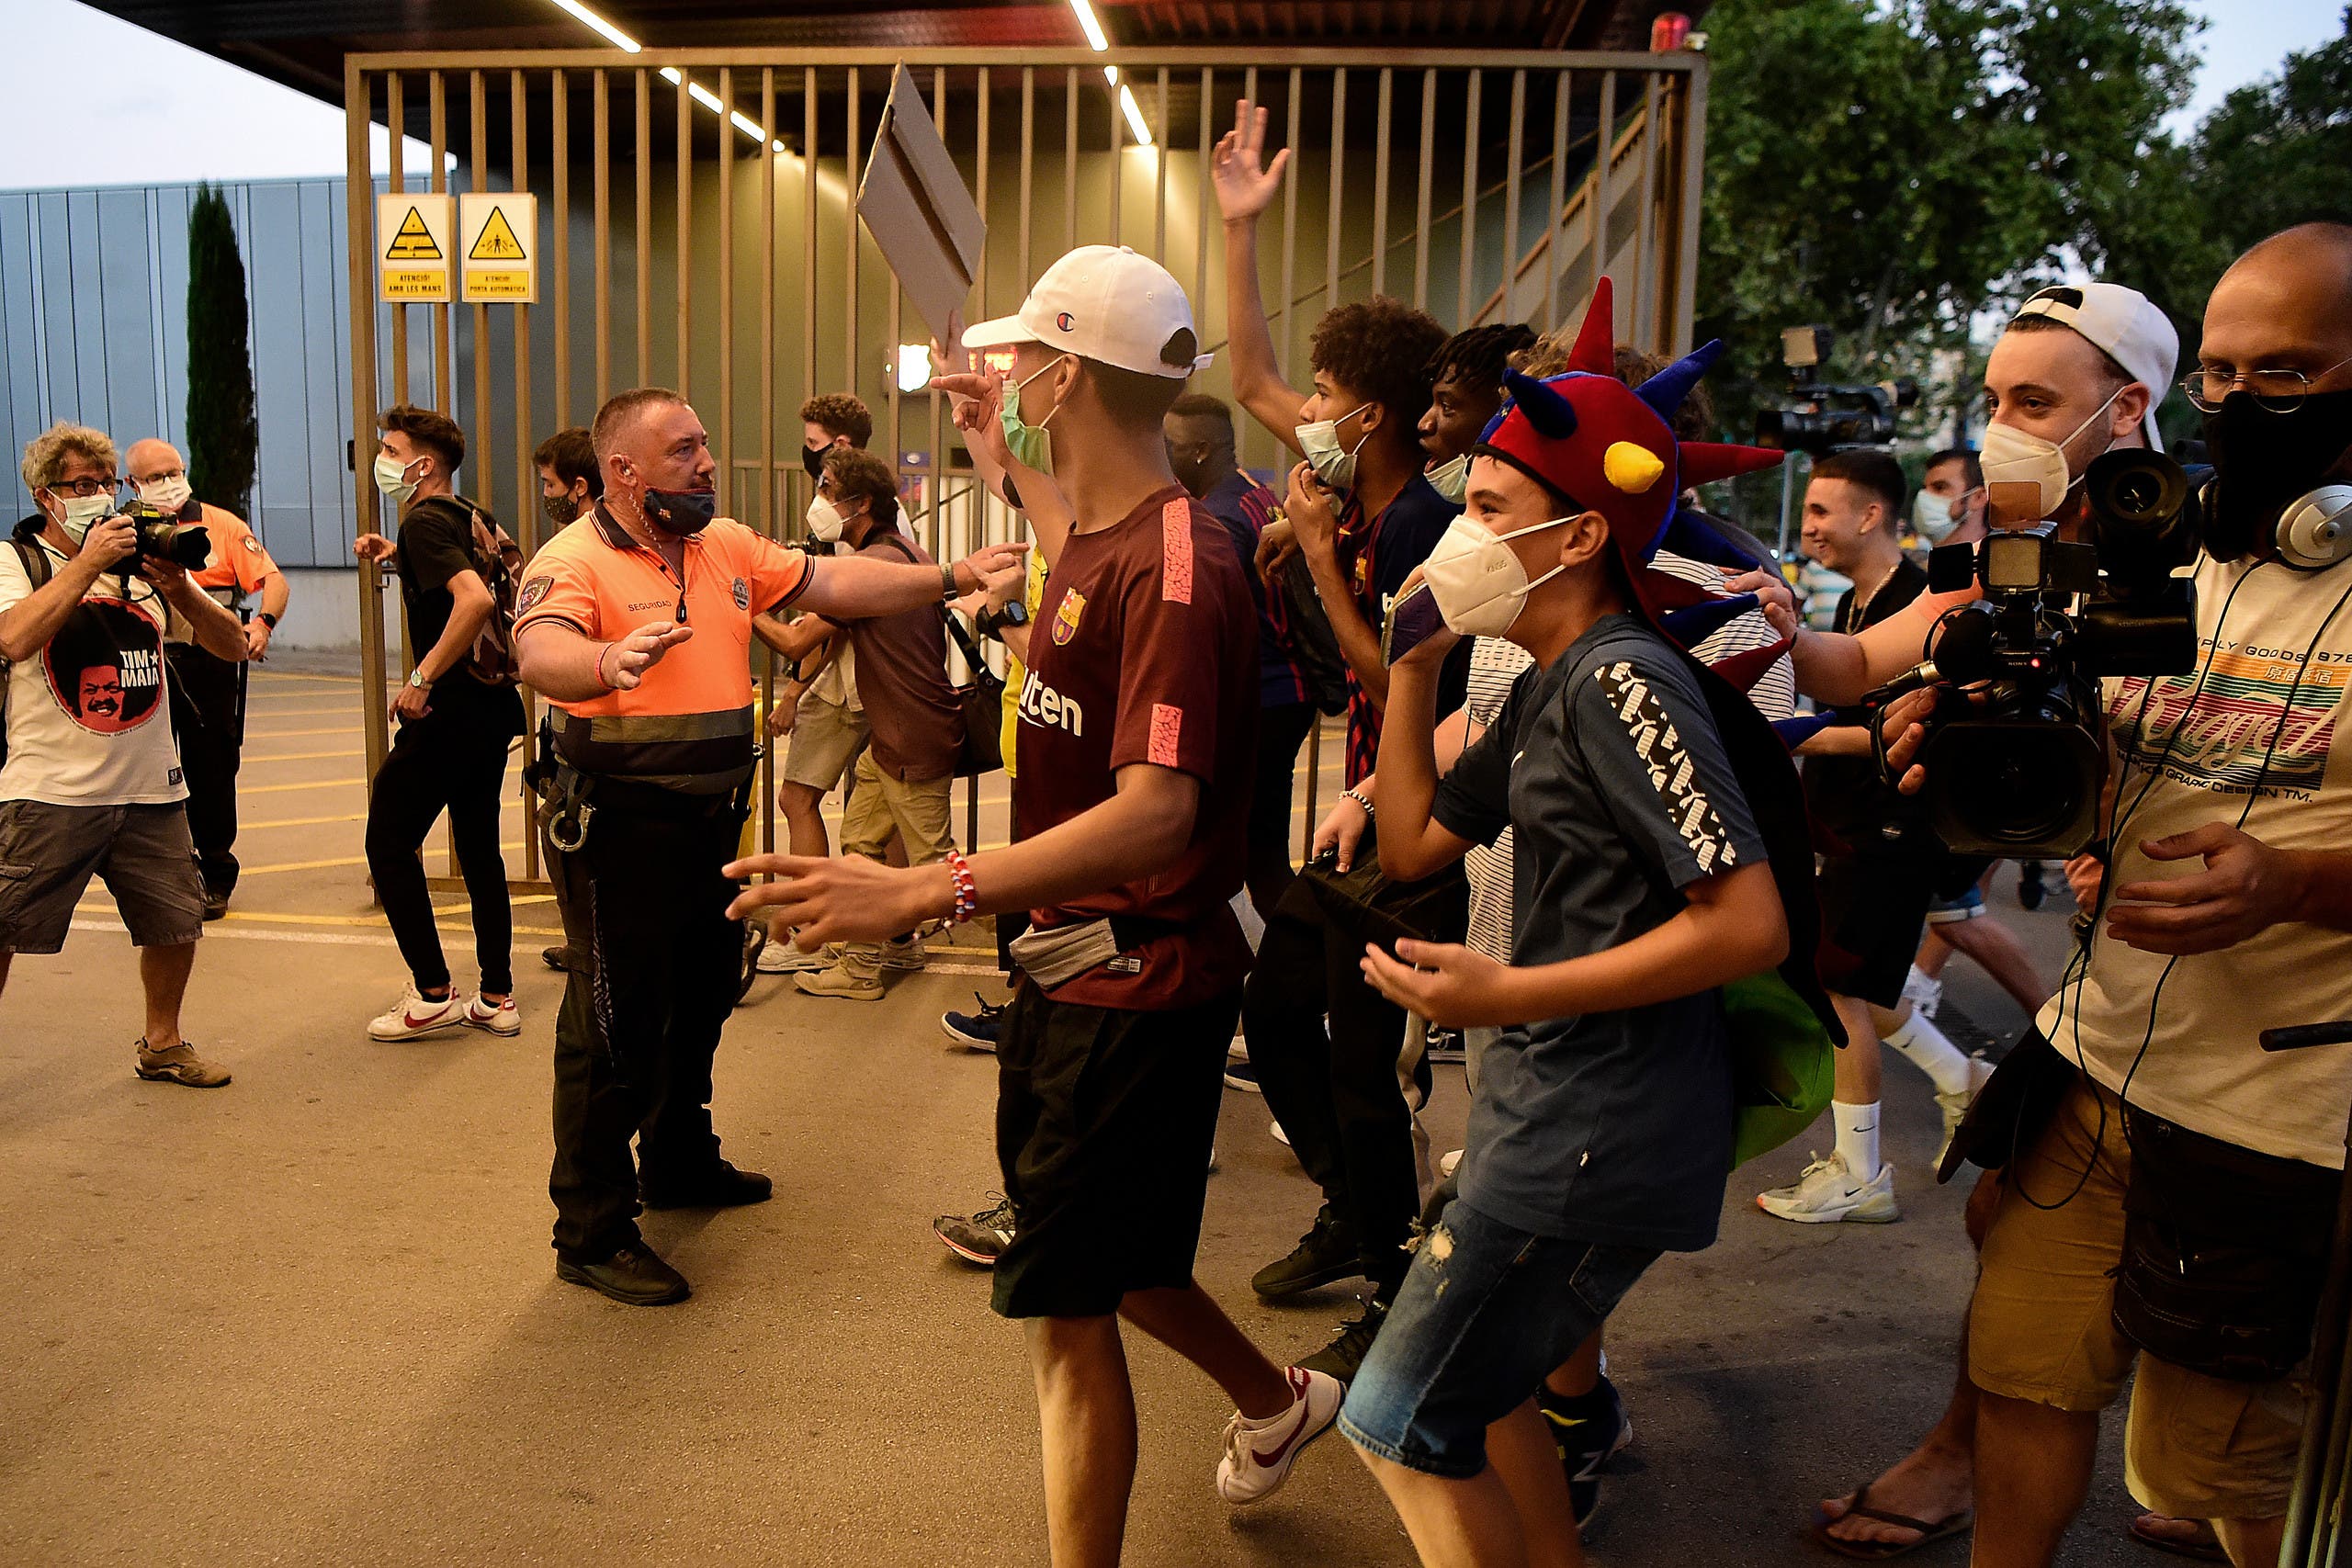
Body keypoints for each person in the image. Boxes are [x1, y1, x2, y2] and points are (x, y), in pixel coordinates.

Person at [729, 245, 1348, 1560]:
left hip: (1138, 979)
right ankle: (1279, 1398)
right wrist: (996, 458)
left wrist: (920, 885)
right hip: (1075, 965)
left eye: (1015, 364)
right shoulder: (1111, 531)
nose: (995, 375)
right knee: (1114, 1259)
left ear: (1066, 377)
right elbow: (1078, 573)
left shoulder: (1186, 564)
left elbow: (1158, 811)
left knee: (1067, 1311)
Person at [1338, 302, 1806, 1568]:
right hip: (1550, 1105)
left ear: (1584, 532)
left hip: (1601, 1126)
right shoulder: (1552, 678)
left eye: (1491, 509)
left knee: (1394, 1414)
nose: (1457, 535)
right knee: (1486, 1396)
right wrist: (1412, 669)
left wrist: (1509, 991)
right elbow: (1416, 845)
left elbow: (1747, 918)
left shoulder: (1622, 678)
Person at [514, 385, 1020, 1305]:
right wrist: (603, 661)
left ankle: (676, 1159)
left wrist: (951, 578)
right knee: (613, 1023)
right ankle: (588, 1227)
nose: (706, 461)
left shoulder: (724, 545)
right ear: (622, 471)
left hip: (708, 822)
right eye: (683, 451)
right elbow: (540, 646)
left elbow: (837, 584)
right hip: (617, 831)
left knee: (703, 994)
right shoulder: (574, 557)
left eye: (704, 444)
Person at [1214, 97, 1471, 1383]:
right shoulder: (1357, 481)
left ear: (1368, 415)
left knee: (1366, 1061)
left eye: (1326, 393)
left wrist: (1314, 557)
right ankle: (1354, 1207)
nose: (1299, 407)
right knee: (1275, 1006)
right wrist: (1239, 230)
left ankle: (1390, 1272)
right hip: (1378, 802)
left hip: (1427, 832)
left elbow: (1393, 670)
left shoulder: (1415, 522)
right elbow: (1252, 370)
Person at [1757, 447, 1984, 1225]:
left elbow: (1924, 728)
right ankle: (1963, 1078)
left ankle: (1861, 1171)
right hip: (1855, 825)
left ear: (1871, 515)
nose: (1809, 526)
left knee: (1837, 986)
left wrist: (1804, 737)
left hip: (1896, 828)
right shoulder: (1863, 599)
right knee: (1852, 979)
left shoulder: (1925, 599)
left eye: (1821, 511)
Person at [0, 421, 247, 1088]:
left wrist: (178, 587)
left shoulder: (138, 575)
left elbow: (232, 644)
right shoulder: (15, 560)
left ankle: (163, 1043)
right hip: (52, 788)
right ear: (44, 494)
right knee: (4, 921)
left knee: (175, 919)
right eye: (77, 484)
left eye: (102, 482)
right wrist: (83, 564)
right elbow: (14, 639)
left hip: (151, 787)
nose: (94, 495)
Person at [352, 405, 527, 1043]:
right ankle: (496, 994)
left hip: (448, 709)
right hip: (490, 709)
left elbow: (475, 599)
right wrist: (398, 554)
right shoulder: (466, 513)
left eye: (391, 449)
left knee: (389, 841)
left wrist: (421, 678)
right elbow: (475, 577)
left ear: (423, 464)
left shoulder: (424, 518)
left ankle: (432, 992)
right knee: (480, 848)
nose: (382, 460)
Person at [784, 446, 966, 1001]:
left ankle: (1028, 954)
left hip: (910, 737)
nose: (818, 498)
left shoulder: (872, 568)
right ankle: (872, 958)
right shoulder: (902, 551)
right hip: (894, 738)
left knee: (940, 867)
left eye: (827, 488)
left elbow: (795, 640)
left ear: (859, 504)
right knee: (862, 841)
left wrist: (743, 602)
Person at [752, 392, 891, 978]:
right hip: (873, 690)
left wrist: (742, 601)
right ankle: (887, 934)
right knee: (877, 819)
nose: (810, 466)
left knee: (799, 799)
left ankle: (814, 931)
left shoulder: (862, 534)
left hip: (850, 689)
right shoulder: (881, 519)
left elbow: (815, 632)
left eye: (814, 451)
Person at [1163, 391, 1315, 918]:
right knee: (1264, 848)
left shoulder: (1217, 520)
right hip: (1287, 692)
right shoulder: (1257, 493)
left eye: (1171, 445)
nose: (1164, 455)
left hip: (1261, 701)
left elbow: (1211, 627)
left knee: (1256, 856)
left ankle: (1306, 970)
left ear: (1201, 450)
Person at [126, 438, 285, 921]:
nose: (167, 484)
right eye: (154, 478)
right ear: (132, 484)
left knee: (212, 766)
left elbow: (272, 579)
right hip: (142, 658)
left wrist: (262, 624)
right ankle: (156, 871)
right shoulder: (121, 529)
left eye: (173, 472)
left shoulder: (220, 524)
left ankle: (215, 873)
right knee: (143, 767)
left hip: (208, 656)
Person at [532, 427, 603, 974]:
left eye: (550, 484)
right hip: (585, 724)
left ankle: (587, 949)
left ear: (580, 487)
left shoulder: (580, 550)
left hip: (594, 727)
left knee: (562, 829)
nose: (546, 495)